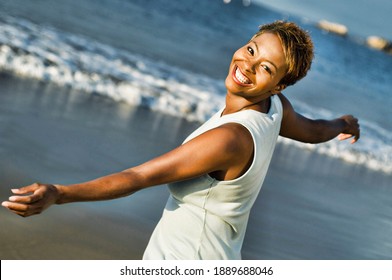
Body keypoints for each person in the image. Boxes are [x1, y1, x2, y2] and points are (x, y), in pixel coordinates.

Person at [1, 21, 360, 259]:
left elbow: (137, 178)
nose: (248, 65)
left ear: (279, 84)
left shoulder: (230, 139)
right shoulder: (273, 108)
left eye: (266, 67)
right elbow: (314, 130)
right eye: (252, 49)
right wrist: (343, 123)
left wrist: (60, 194)